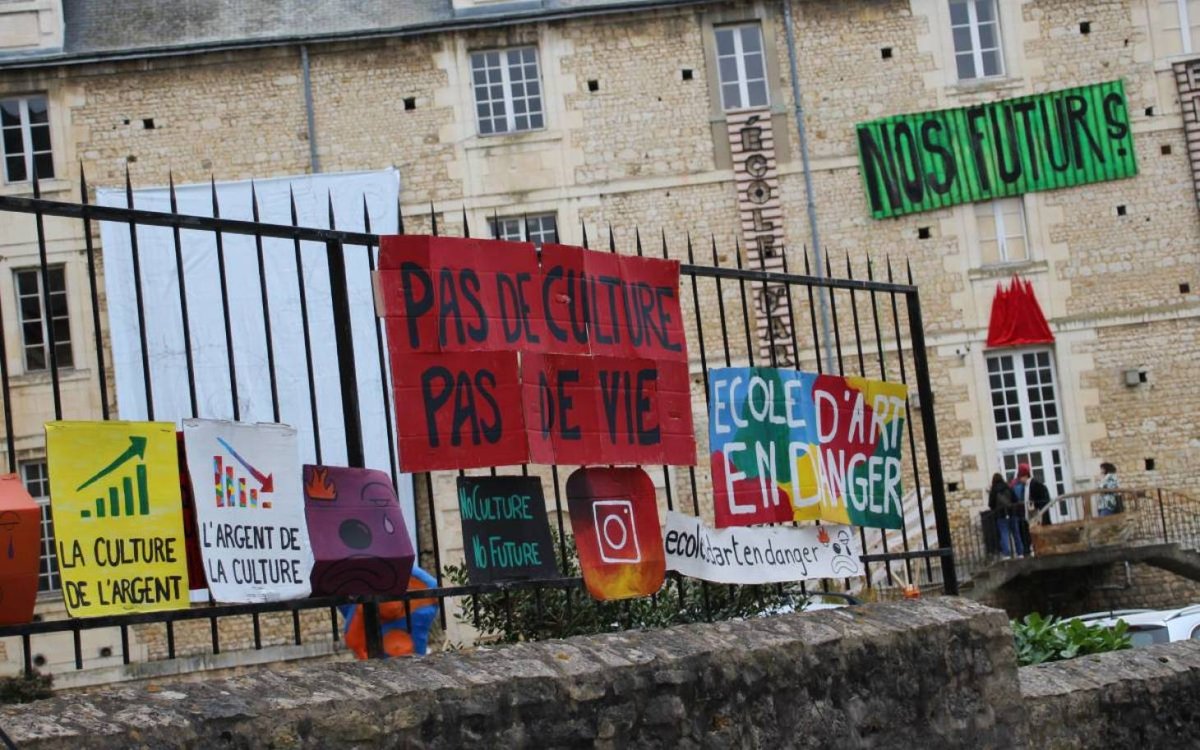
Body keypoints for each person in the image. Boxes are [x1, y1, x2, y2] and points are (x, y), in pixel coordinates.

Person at [988, 471, 1024, 557]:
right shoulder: (1008, 487)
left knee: (1004, 534)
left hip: (1001, 515)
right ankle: (1020, 553)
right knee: (1016, 533)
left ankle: (1007, 554)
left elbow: (991, 504)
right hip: (1012, 513)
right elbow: (1015, 499)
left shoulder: (994, 490)